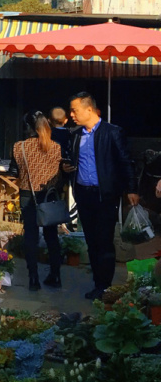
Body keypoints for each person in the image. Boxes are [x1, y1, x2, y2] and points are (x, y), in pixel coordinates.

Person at [65, 91, 139, 301]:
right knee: (91, 240)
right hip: (83, 193)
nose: (72, 114)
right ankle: (98, 282)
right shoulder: (76, 135)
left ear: (89, 109)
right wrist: (67, 167)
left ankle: (104, 285)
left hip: (105, 194)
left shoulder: (112, 132)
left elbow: (126, 161)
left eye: (75, 110)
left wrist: (131, 189)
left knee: (104, 240)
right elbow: (71, 159)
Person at [11, 111, 64, 291]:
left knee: (30, 236)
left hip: (28, 195)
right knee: (51, 236)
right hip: (49, 196)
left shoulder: (20, 147)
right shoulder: (56, 147)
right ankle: (55, 275)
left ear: (28, 128)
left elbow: (14, 171)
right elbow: (61, 174)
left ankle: (33, 277)